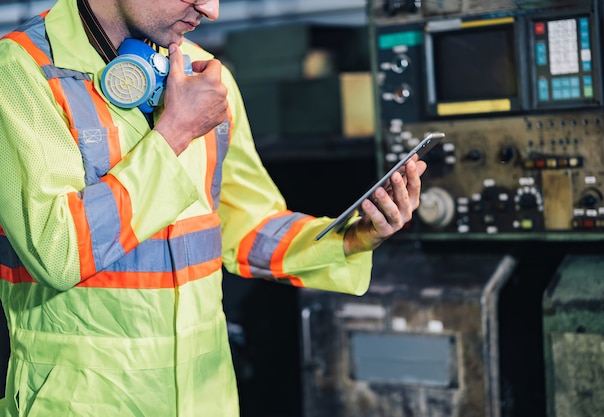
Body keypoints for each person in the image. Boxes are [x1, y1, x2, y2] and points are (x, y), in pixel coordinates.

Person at [0, 0, 427, 415]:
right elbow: (57, 251)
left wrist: (349, 237)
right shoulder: (20, 71)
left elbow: (244, 226)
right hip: (84, 401)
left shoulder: (203, 77)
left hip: (207, 395)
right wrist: (174, 134)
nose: (212, 10)